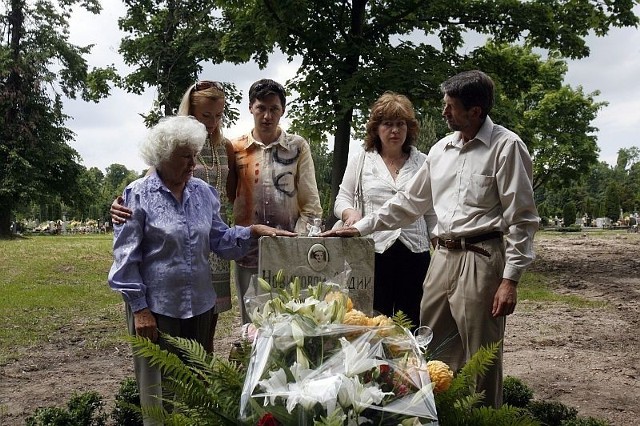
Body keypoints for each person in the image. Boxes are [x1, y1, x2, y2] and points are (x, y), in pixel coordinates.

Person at [322, 70, 539, 408]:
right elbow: (408, 203)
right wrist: (361, 227)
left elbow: (523, 219)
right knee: (433, 349)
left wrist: (510, 279)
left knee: (481, 355)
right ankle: (442, 415)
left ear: (476, 111)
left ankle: (484, 416)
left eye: (451, 106)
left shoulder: (506, 147)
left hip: (481, 258)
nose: (444, 111)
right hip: (440, 259)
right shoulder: (441, 150)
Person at [107, 116, 294, 425]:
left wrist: (254, 231)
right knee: (159, 394)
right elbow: (126, 259)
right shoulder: (137, 195)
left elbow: (220, 240)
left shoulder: (204, 192)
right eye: (185, 156)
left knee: (196, 391)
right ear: (162, 157)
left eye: (194, 154)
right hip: (156, 310)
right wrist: (139, 310)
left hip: (200, 306)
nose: (193, 163)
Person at [110, 80, 234, 352]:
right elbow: (149, 188)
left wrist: (253, 231)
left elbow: (234, 193)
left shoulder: (225, 148)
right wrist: (122, 203)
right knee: (164, 371)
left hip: (207, 245)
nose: (212, 122)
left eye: (218, 115)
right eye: (206, 115)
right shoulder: (158, 166)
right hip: (167, 277)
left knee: (202, 352)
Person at [227, 78, 323, 323]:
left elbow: (311, 202)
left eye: (274, 109)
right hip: (248, 249)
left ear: (283, 110)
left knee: (291, 321)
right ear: (250, 108)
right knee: (252, 322)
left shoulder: (297, 147)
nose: (267, 116)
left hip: (288, 249)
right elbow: (229, 194)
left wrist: (299, 244)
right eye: (261, 108)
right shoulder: (236, 148)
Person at [333, 92, 430, 329]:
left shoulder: (424, 162)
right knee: (374, 322)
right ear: (376, 128)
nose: (394, 130)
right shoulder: (362, 160)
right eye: (388, 124)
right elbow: (342, 198)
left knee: (412, 323)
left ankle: (409, 367)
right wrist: (349, 214)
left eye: (400, 124)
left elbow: (432, 210)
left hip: (415, 253)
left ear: (410, 128)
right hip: (375, 252)